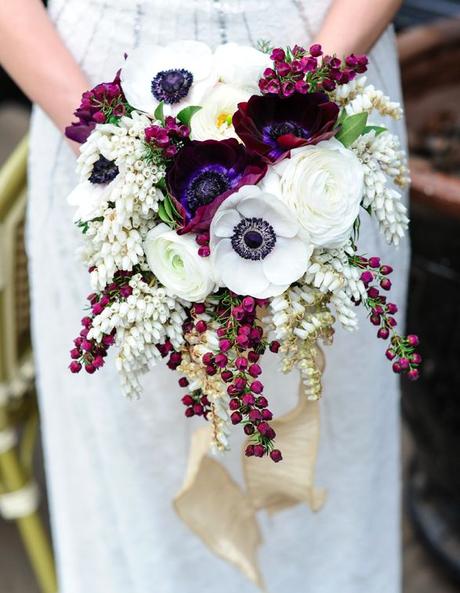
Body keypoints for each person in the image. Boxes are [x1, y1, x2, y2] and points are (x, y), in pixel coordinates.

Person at [0, 1, 408, 592]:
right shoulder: (105, 144)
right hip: (89, 98)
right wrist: (113, 150)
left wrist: (298, 114)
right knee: (137, 485)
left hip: (324, 81)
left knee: (333, 454)